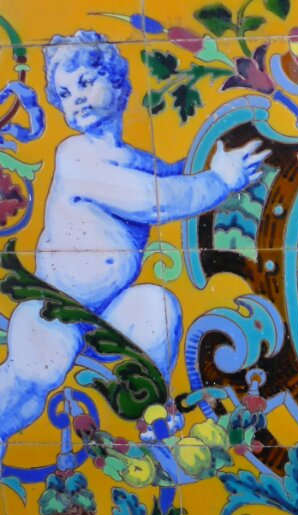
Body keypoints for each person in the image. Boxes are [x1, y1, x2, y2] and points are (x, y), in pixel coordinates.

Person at [0, 31, 268, 461]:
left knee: (158, 309)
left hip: (109, 309)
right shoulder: (75, 155)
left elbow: (171, 178)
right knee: (34, 375)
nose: (76, 98)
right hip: (56, 307)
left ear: (117, 82)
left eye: (86, 82)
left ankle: (154, 419)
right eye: (65, 93)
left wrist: (211, 162)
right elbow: (156, 201)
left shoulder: (138, 160)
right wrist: (220, 180)